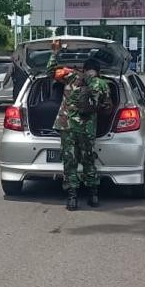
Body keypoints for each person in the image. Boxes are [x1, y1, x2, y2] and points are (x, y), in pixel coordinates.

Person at [48, 39, 110, 210]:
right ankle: (93, 196)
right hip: (88, 129)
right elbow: (107, 108)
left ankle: (72, 198)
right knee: (88, 160)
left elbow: (51, 72)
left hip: (67, 126)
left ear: (84, 69)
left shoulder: (71, 76)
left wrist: (55, 53)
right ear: (98, 70)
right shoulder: (103, 85)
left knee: (70, 161)